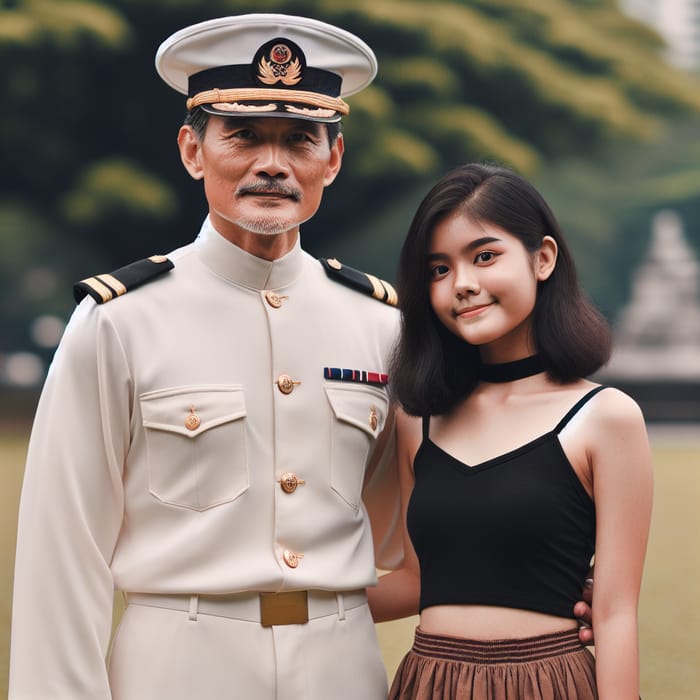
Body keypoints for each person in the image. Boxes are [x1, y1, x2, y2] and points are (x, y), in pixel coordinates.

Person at [9, 14, 403, 700]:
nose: (272, 164)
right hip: (178, 666)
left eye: (300, 139)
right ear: (194, 150)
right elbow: (62, 554)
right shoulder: (120, 321)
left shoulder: (380, 325)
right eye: (244, 135)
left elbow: (432, 518)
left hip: (344, 668)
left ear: (332, 160)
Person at [369, 163, 653, 699]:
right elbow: (414, 579)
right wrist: (276, 598)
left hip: (547, 681)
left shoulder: (606, 416)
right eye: (438, 269)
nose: (463, 285)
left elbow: (614, 615)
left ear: (542, 258)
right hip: (429, 681)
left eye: (484, 256)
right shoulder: (418, 418)